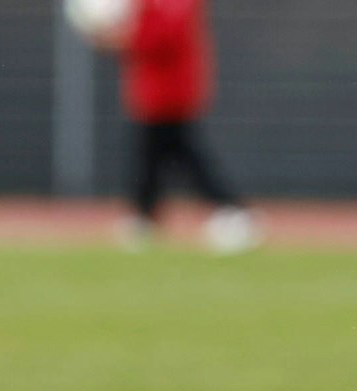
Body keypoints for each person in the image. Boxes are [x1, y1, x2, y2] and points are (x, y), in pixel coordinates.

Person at [98, 0, 257, 253]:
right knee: (153, 155)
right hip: (152, 91)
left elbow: (163, 37)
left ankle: (230, 212)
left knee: (180, 154)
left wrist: (120, 39)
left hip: (170, 90)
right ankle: (145, 216)